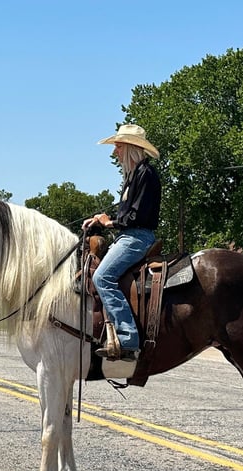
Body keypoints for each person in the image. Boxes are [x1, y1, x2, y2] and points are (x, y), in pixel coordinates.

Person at [83, 124, 162, 362]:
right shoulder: (132, 176)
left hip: (137, 238)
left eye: (117, 146)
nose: (114, 152)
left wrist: (109, 223)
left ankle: (128, 338)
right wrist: (101, 221)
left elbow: (136, 217)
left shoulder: (145, 174)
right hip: (129, 235)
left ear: (129, 147)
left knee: (102, 277)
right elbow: (127, 216)